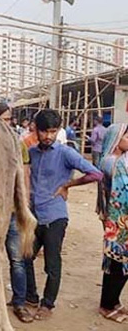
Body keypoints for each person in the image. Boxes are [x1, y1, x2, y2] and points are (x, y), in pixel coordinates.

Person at [25, 109, 103, 321]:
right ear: (36, 129)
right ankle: (30, 297)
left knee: (52, 263)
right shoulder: (32, 152)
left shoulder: (65, 153)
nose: (48, 136)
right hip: (34, 215)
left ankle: (47, 304)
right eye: (44, 131)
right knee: (24, 257)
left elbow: (96, 173)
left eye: (53, 131)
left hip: (55, 216)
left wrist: (68, 184)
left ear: (58, 130)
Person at [0, 103, 33, 323]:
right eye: (3, 119)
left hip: (13, 212)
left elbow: (24, 177)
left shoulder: (18, 144)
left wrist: (25, 206)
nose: (7, 123)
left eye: (8, 119)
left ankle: (19, 303)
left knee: (17, 260)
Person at [96, 123, 128, 323]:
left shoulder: (119, 161)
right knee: (118, 262)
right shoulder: (111, 162)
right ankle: (106, 305)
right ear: (117, 139)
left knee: (121, 263)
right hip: (118, 222)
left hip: (120, 220)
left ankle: (113, 301)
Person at [91, 116, 109, 219]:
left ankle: (96, 177)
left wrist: (88, 138)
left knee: (96, 165)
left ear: (96, 121)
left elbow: (93, 140)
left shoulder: (96, 129)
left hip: (96, 149)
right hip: (103, 149)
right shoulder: (105, 130)